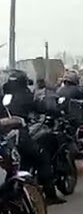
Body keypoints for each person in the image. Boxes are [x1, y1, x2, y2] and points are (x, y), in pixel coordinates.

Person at [1, 71, 63, 205]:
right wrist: (56, 111)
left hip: (5, 138)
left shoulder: (5, 95)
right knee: (42, 158)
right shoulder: (25, 95)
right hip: (19, 135)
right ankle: (50, 195)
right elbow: (41, 107)